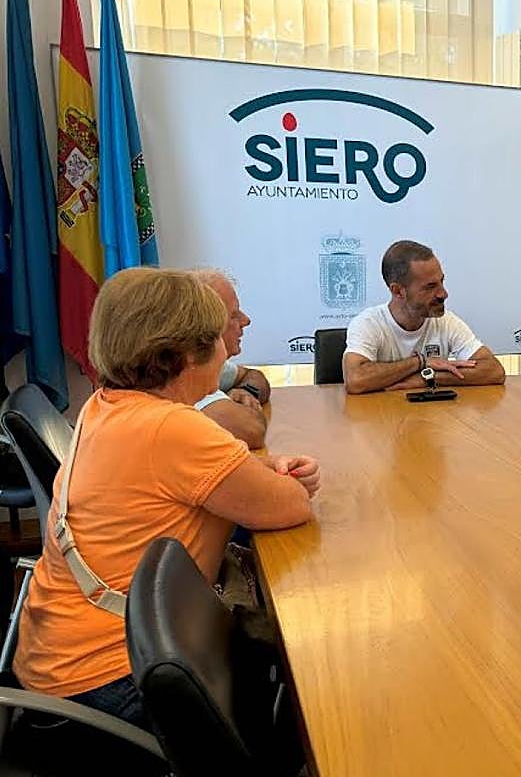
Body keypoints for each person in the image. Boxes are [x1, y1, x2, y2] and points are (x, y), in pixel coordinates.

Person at [14, 268, 320, 728]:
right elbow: (292, 505)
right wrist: (279, 481)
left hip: (56, 659)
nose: (226, 347)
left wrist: (259, 472)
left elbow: (187, 480)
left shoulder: (108, 406)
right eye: (217, 336)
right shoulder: (173, 429)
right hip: (115, 680)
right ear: (186, 354)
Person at [342, 240, 506, 394]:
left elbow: (494, 371)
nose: (443, 294)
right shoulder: (368, 324)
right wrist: (420, 362)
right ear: (398, 291)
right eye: (430, 287)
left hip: (433, 418)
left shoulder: (446, 322)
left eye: (442, 282)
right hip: (381, 417)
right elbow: (356, 379)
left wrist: (426, 377)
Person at [193, 269, 271, 449]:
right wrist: (244, 408)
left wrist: (246, 393)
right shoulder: (185, 373)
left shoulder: (208, 364)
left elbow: (253, 375)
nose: (246, 320)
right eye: (234, 315)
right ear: (206, 327)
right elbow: (250, 430)